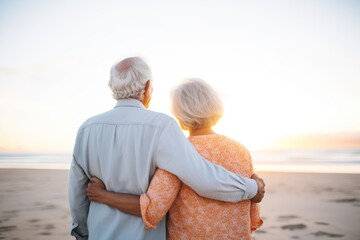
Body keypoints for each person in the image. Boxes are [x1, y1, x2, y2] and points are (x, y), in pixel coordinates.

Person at [69, 57, 265, 240]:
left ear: (111, 86)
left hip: (99, 231)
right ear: (147, 87)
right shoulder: (161, 127)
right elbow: (203, 178)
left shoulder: (86, 128)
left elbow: (77, 190)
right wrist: (253, 188)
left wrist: (83, 232)